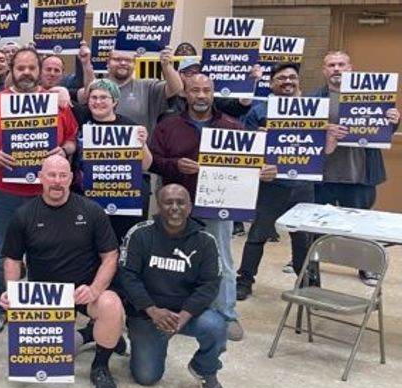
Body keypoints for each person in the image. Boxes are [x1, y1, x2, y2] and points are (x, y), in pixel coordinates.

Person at [149, 73, 274, 342]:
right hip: (176, 206)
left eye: (206, 90)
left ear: (213, 92)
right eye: (195, 90)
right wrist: (175, 165)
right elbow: (153, 161)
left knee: (222, 261)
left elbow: (249, 165)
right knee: (171, 260)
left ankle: (226, 313)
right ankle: (173, 312)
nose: (201, 95)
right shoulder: (168, 126)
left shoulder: (233, 126)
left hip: (220, 207)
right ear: (185, 93)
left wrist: (260, 172)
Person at [0, 47, 79, 334]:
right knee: (3, 252)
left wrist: (62, 151)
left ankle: (37, 308)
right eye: (21, 68)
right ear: (11, 71)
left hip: (43, 193)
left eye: (31, 68)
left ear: (39, 70)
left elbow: (72, 139)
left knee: (46, 252)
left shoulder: (56, 104)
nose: (26, 72)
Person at [0, 155, 124, 388]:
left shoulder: (91, 211)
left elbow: (110, 256)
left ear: (71, 178)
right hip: (45, 299)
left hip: (83, 292)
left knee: (111, 305)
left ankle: (100, 366)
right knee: (44, 361)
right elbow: (12, 260)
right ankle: (89, 334)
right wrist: (12, 292)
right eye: (51, 175)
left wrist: (96, 289)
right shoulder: (23, 215)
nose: (57, 181)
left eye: (62, 175)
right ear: (40, 178)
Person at [118, 184, 226, 388]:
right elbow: (128, 276)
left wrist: (184, 316)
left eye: (181, 202)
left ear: (190, 207)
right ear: (158, 206)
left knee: (216, 326)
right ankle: (148, 341)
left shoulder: (205, 241)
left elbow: (210, 284)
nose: (174, 207)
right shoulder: (140, 234)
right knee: (146, 377)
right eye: (168, 202)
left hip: (185, 314)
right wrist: (152, 311)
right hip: (147, 314)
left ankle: (205, 368)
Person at [308, 51, 400, 286]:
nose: (336, 68)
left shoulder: (373, 98)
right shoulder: (312, 99)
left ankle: (366, 268)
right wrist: (323, 132)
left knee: (361, 228)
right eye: (331, 65)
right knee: (312, 225)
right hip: (323, 175)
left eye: (341, 64)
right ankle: (307, 265)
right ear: (324, 70)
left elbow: (383, 134)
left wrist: (393, 119)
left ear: (351, 68)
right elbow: (301, 136)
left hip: (359, 174)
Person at [235, 63, 323, 299]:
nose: (287, 81)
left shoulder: (312, 109)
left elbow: (321, 147)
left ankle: (307, 282)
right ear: (271, 82)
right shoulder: (258, 111)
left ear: (298, 81)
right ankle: (244, 280)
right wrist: (259, 159)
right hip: (270, 186)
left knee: (303, 238)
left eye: (292, 77)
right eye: (281, 77)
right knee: (257, 235)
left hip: (303, 185)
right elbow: (245, 149)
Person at [73, 79, 154, 240]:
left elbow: (146, 164)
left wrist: (142, 144)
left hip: (123, 199)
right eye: (93, 97)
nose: (98, 102)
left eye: (104, 97)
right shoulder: (81, 119)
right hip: (87, 198)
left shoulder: (128, 126)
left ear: (115, 101)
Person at [80, 48, 184, 133]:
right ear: (108, 62)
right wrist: (86, 64)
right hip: (99, 153)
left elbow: (177, 88)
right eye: (117, 59)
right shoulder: (98, 88)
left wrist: (167, 65)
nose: (123, 63)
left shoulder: (147, 86)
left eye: (129, 60)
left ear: (135, 63)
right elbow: (88, 90)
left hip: (138, 154)